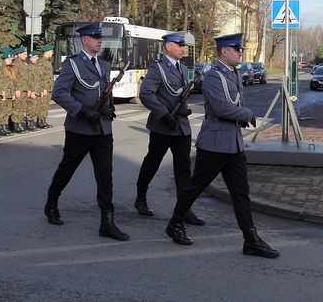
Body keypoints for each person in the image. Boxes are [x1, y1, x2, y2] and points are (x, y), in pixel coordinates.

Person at [164, 33, 280, 259]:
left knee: (241, 192)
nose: (241, 53)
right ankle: (175, 222)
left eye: (240, 49)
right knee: (195, 186)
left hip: (233, 142)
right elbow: (220, 108)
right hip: (215, 141)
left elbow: (234, 104)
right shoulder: (214, 76)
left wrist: (242, 115)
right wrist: (247, 114)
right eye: (237, 49)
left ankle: (251, 239)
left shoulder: (234, 73)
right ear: (224, 51)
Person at [45, 22, 128, 241]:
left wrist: (110, 109)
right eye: (95, 37)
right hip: (80, 128)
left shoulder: (103, 64)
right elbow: (59, 93)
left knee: (105, 175)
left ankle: (107, 222)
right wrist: (82, 110)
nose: (100, 41)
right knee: (67, 168)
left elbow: (105, 92)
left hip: (102, 129)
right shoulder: (73, 64)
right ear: (84, 40)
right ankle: (52, 202)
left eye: (100, 38)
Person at [134, 32, 205, 226]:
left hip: (181, 127)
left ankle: (185, 209)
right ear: (168, 47)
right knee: (152, 163)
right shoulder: (158, 68)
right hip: (162, 126)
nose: (183, 48)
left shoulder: (182, 68)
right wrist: (163, 114)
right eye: (179, 45)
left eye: (184, 45)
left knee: (183, 169)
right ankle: (140, 198)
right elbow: (146, 94)